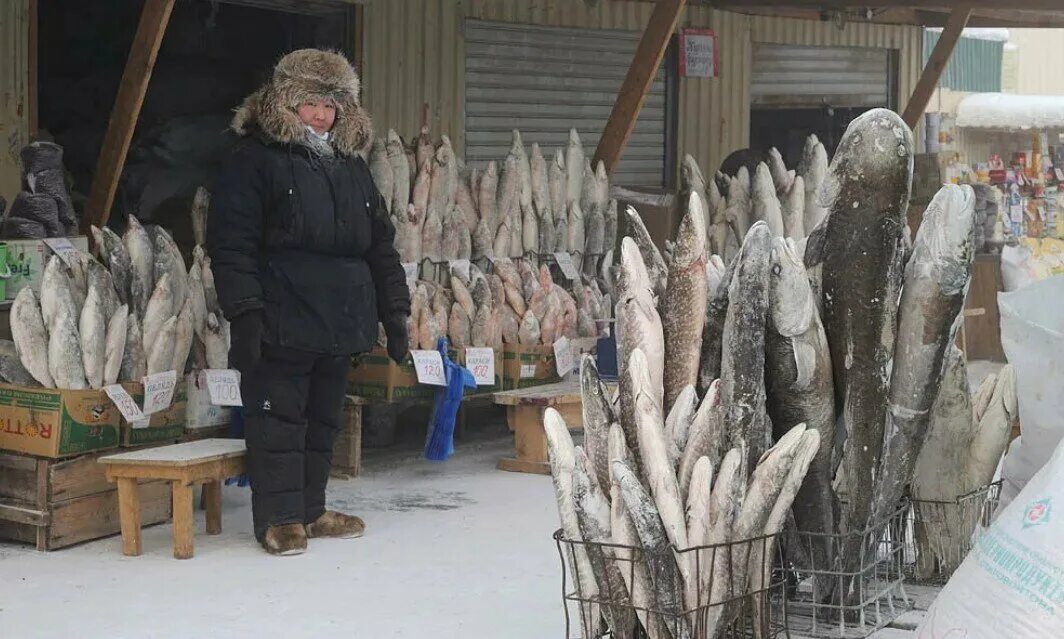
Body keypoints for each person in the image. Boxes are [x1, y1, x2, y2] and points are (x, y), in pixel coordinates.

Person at [207, 49, 410, 556]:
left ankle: (312, 510)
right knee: (279, 419)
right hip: (281, 315)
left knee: (323, 420)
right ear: (286, 102)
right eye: (311, 103)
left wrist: (396, 312)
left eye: (331, 105)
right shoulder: (253, 160)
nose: (321, 115)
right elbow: (231, 244)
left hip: (341, 320)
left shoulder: (352, 167)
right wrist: (245, 313)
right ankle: (279, 520)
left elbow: (380, 245)